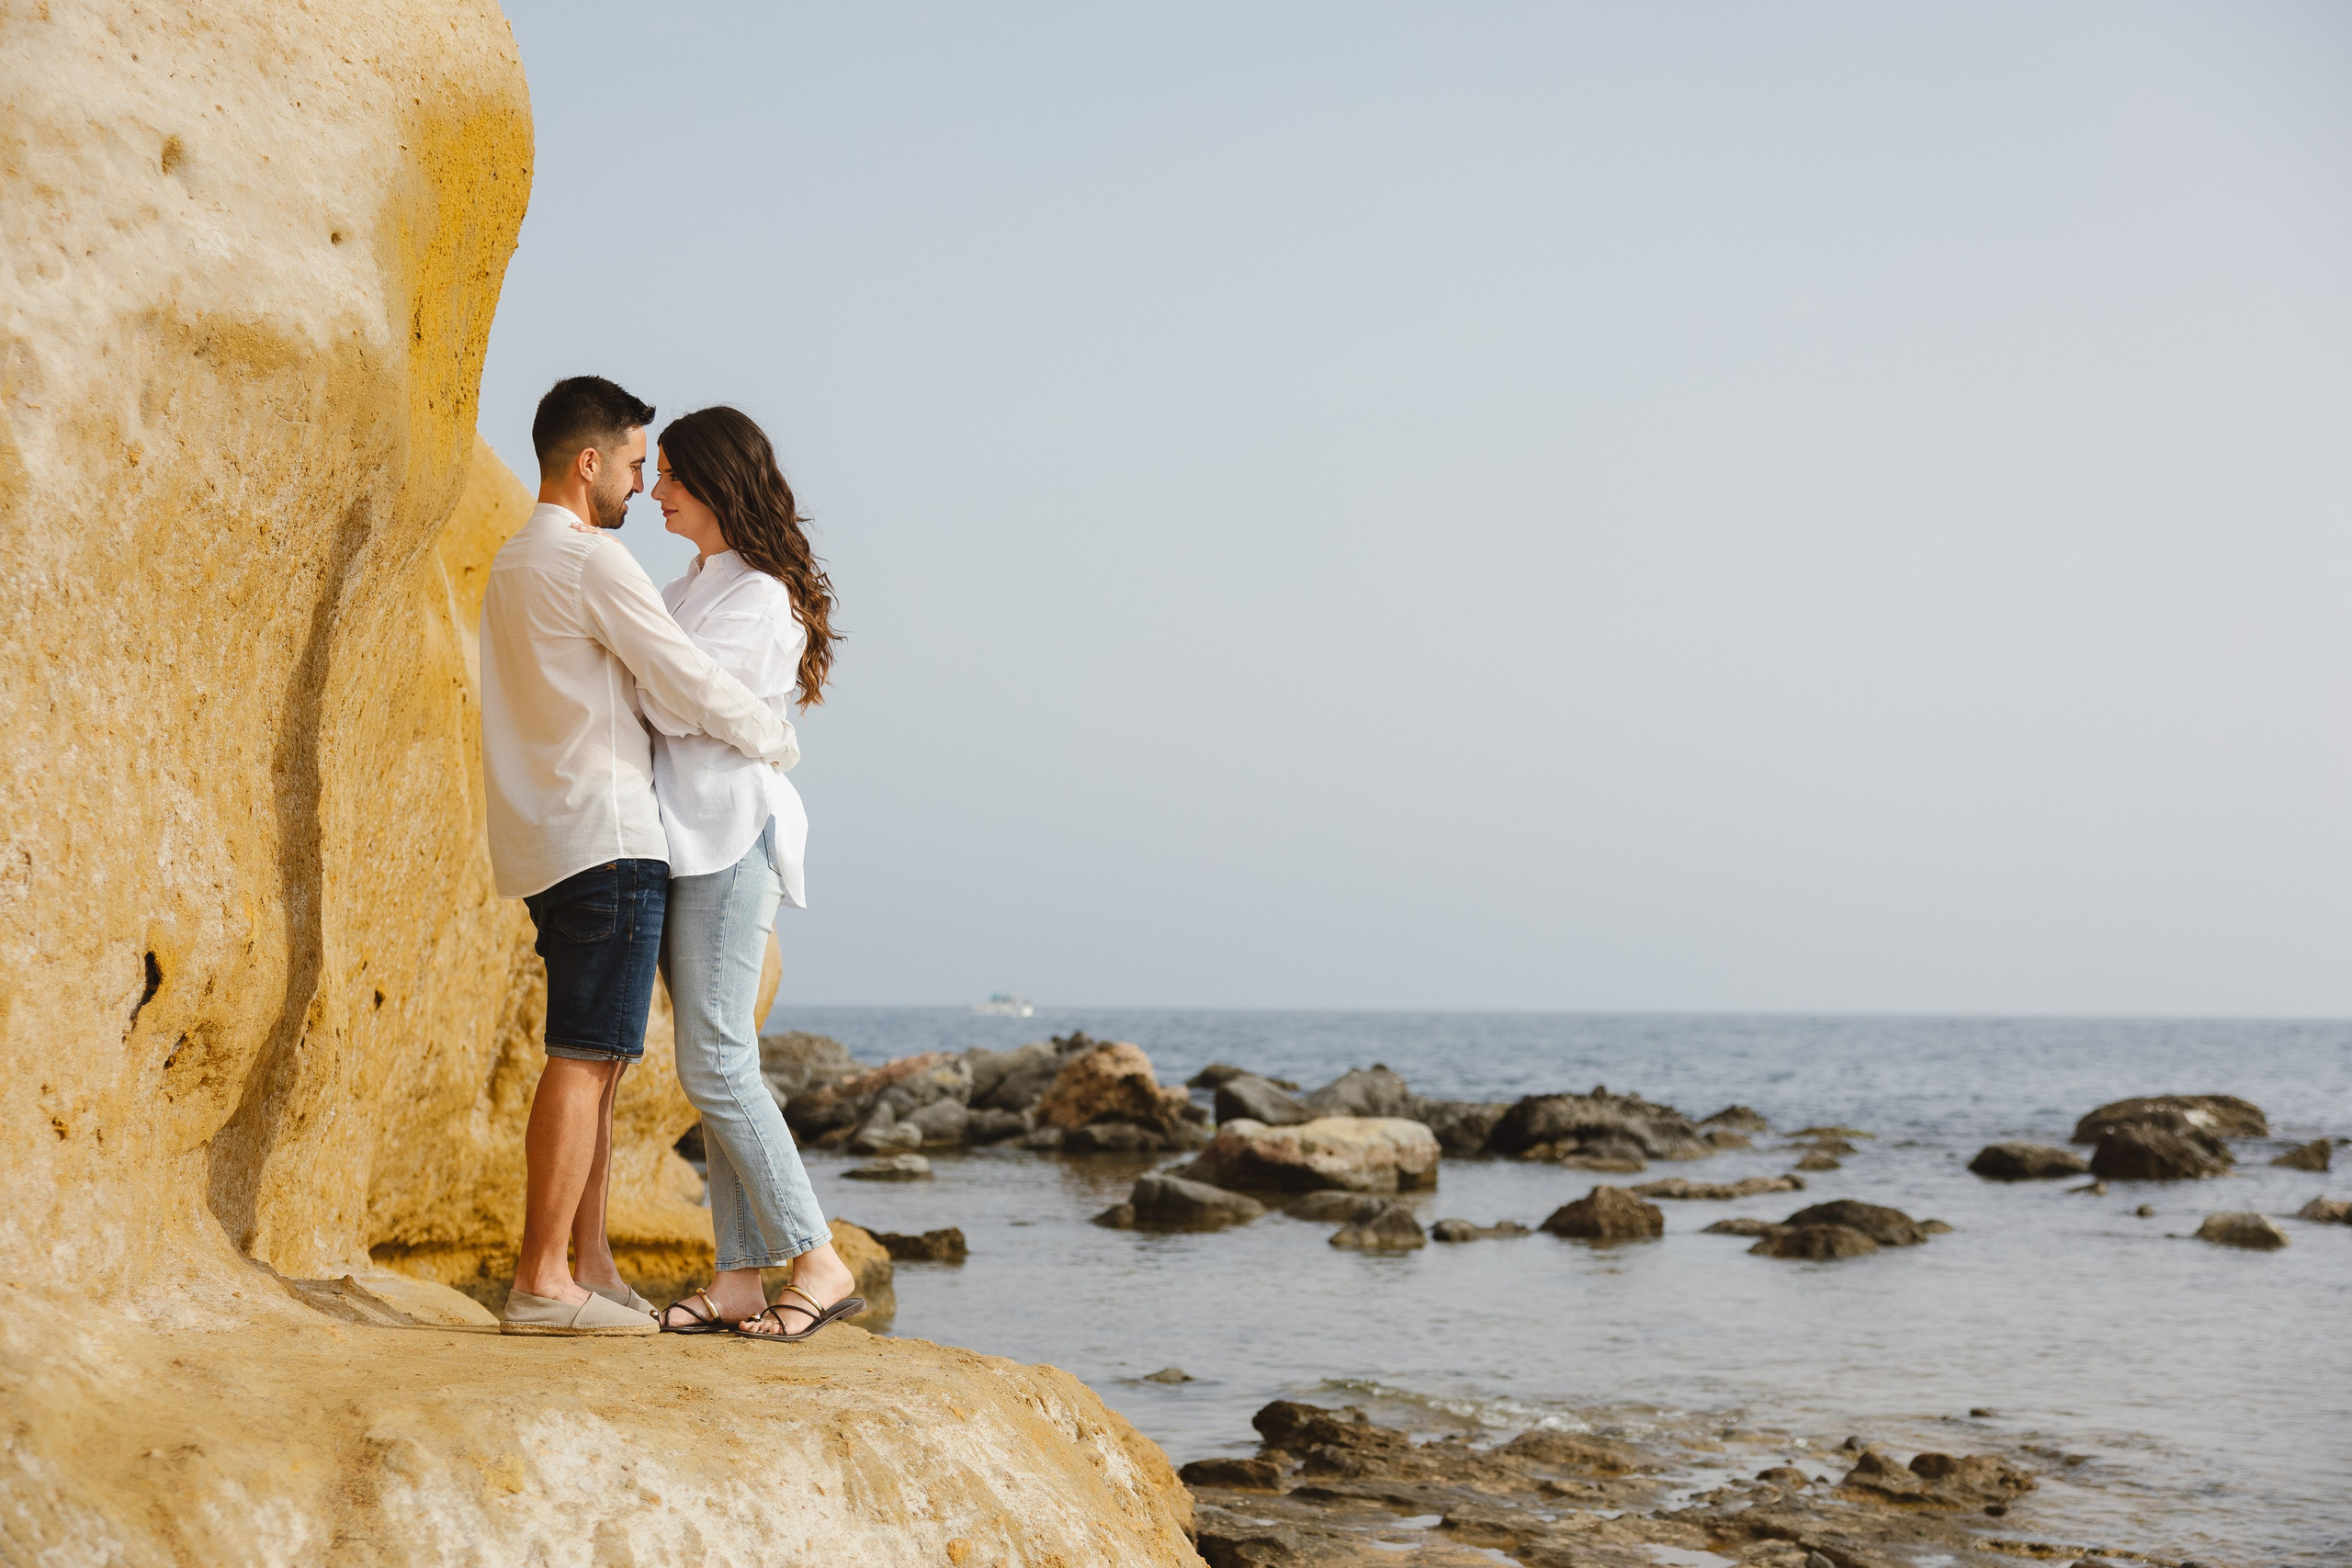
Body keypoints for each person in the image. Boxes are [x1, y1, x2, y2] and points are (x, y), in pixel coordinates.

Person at [479, 377, 803, 1337]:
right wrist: (773, 737)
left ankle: (591, 1267)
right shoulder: (592, 561)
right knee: (587, 1060)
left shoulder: (512, 560)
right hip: (608, 838)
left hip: (544, 838)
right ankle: (546, 1281)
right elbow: (680, 680)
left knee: (603, 1063)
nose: (641, 487)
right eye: (632, 465)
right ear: (589, 463)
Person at [638, 407, 865, 1342]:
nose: (655, 490)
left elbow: (672, 704)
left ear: (716, 480)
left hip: (733, 837)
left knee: (717, 1060)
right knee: (714, 1067)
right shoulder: (685, 588)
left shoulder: (761, 597)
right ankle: (737, 1280)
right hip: (683, 838)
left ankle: (818, 1260)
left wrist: (661, 685)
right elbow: (667, 694)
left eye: (671, 475)